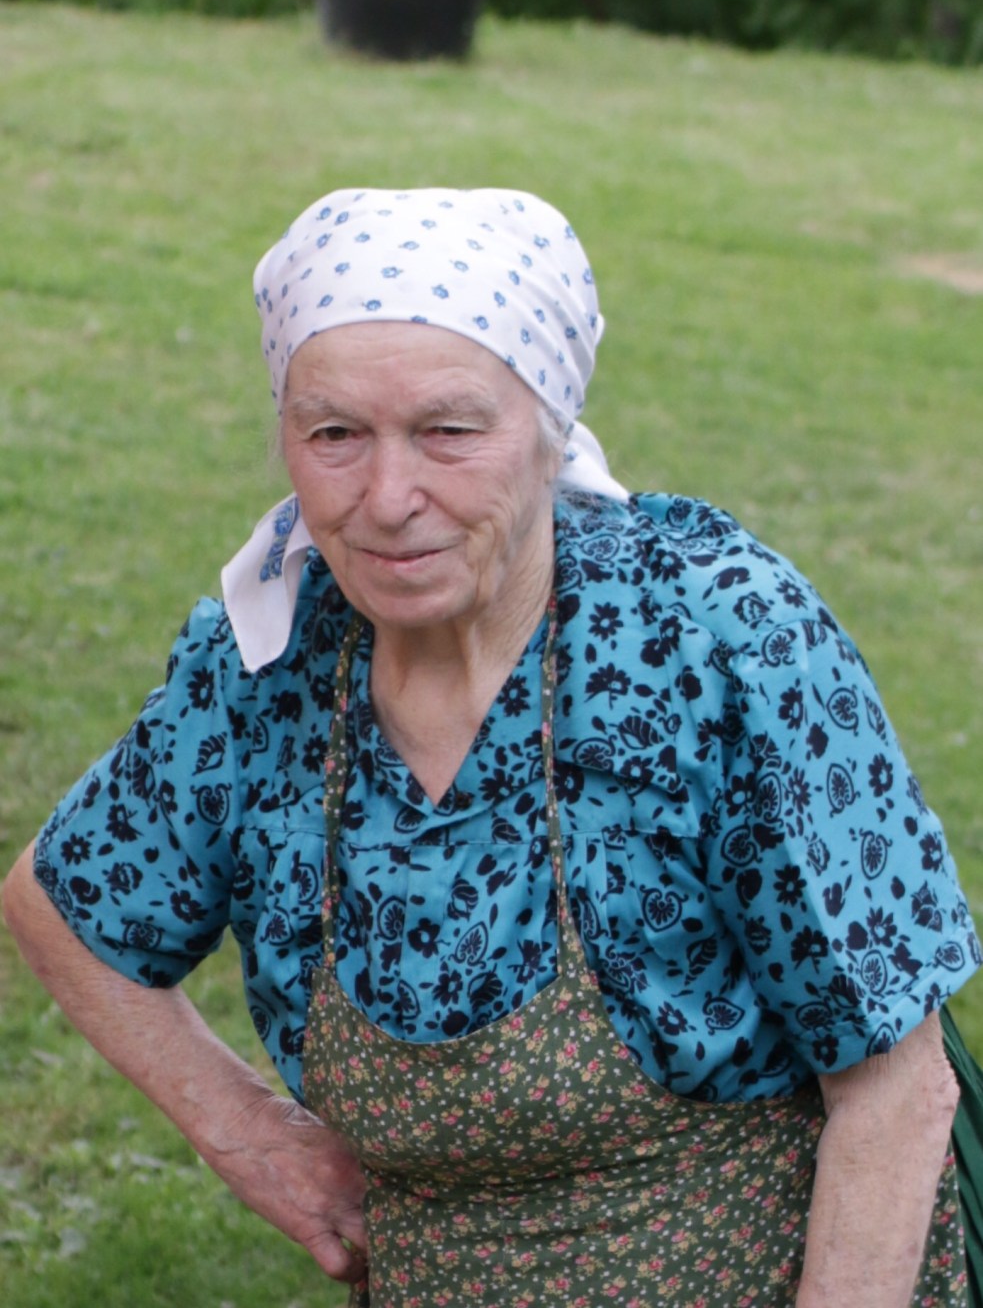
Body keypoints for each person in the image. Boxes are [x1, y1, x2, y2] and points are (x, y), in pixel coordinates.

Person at [3, 186, 979, 1307]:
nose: (388, 499)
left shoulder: (716, 642)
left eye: (449, 431)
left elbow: (894, 1092)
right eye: (333, 434)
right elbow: (62, 902)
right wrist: (249, 1136)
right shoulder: (267, 667)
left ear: (549, 426)